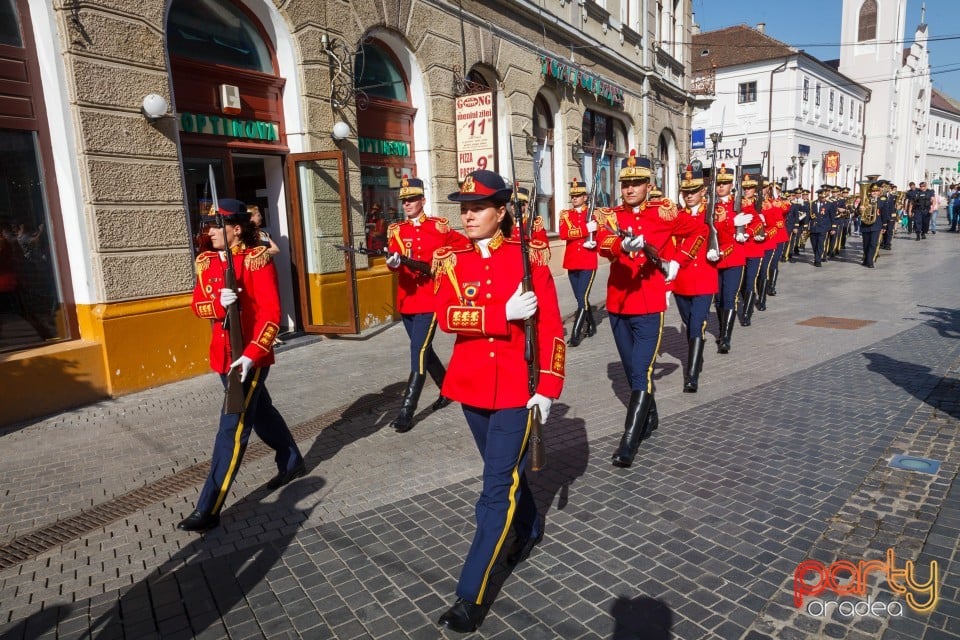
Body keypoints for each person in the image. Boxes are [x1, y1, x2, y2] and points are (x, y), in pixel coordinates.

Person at [433, 170, 564, 633]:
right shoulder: (451, 260)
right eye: (464, 207)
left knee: (493, 489)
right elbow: (446, 315)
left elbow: (551, 328)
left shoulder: (529, 259)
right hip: (471, 387)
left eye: (478, 207)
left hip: (515, 389)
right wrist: (499, 313)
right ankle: (527, 525)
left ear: (502, 211)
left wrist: (548, 387)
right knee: (504, 473)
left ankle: (470, 594)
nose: (467, 215)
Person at [180, 198, 305, 533]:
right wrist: (217, 304)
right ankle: (292, 460)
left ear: (236, 228)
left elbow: (271, 314)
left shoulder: (256, 260)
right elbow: (196, 306)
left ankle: (209, 506)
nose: (211, 231)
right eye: (208, 225)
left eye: (218, 225)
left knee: (232, 428)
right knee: (260, 410)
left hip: (248, 357)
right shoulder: (206, 262)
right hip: (223, 356)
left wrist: (252, 353)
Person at [595, 151, 703, 467]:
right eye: (626, 184)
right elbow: (603, 242)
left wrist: (678, 262)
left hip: (649, 303)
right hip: (618, 302)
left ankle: (629, 441)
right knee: (631, 371)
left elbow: (697, 230)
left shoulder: (664, 213)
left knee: (641, 371)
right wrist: (620, 246)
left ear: (648, 184)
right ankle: (650, 415)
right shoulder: (611, 215)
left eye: (637, 183)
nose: (630, 189)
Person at [384, 176, 468, 433]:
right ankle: (447, 389)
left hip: (430, 299)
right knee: (424, 350)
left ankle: (407, 411)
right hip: (407, 299)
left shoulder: (439, 227)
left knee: (418, 354)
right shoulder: (397, 230)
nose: (407, 204)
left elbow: (464, 247)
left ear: (422, 200)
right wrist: (394, 264)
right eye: (404, 200)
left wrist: (444, 264)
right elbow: (392, 257)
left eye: (411, 199)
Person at [671, 166, 718, 392]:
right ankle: (696, 355)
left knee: (696, 324)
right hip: (682, 280)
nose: (689, 195)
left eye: (694, 191)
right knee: (690, 323)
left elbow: (726, 240)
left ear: (703, 191)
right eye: (685, 192)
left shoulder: (713, 213)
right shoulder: (677, 217)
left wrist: (719, 253)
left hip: (704, 278)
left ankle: (691, 376)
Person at [711, 165, 750, 354]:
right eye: (719, 183)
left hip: (734, 257)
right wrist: (730, 224)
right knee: (718, 299)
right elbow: (712, 227)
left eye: (725, 183)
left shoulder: (739, 204)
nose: (721, 187)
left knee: (729, 296)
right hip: (716, 256)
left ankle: (726, 337)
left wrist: (747, 233)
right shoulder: (710, 206)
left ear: (732, 185)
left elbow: (756, 221)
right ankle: (721, 329)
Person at [558, 177, 598, 347]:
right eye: (573, 196)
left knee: (582, 298)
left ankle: (576, 333)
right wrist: (585, 230)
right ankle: (592, 325)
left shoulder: (593, 214)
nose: (574, 198)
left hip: (588, 262)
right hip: (572, 262)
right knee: (580, 297)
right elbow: (564, 234)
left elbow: (601, 233)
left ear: (585, 197)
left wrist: (595, 238)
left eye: (578, 195)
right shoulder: (565, 215)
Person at [736, 174, 766, 327]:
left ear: (755, 189)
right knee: (741, 283)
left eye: (749, 188)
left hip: (754, 247)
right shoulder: (738, 203)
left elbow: (768, 223)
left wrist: (759, 231)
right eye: (745, 188)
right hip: (740, 248)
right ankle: (746, 302)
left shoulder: (761, 204)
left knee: (750, 280)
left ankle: (747, 313)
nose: (747, 190)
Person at [808, 188, 834, 267]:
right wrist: (806, 226)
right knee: (814, 243)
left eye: (824, 197)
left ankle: (817, 260)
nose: (823, 199)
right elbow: (809, 215)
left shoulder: (829, 204)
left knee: (820, 243)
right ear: (818, 196)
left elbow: (832, 216)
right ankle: (817, 255)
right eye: (821, 197)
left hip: (824, 227)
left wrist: (833, 228)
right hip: (814, 226)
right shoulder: (812, 203)